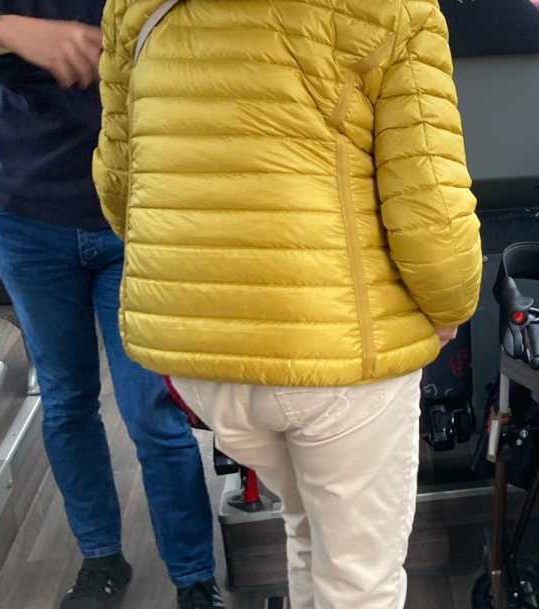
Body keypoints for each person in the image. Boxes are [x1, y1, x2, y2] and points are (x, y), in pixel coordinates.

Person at [93, 0, 482, 607]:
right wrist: (449, 309)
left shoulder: (131, 11)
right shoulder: (395, 9)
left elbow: (121, 192)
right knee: (360, 581)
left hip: (204, 362)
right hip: (338, 359)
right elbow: (430, 206)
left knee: (304, 524)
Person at [0, 4, 219, 609]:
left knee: (153, 411)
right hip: (23, 211)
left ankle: (194, 577)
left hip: (138, 207)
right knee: (66, 402)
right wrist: (4, 28)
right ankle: (100, 558)